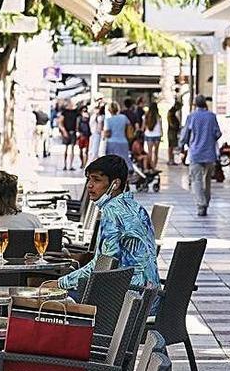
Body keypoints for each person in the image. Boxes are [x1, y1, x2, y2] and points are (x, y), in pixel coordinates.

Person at [55, 155, 160, 295]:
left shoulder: (112, 211)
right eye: (89, 179)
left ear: (115, 184)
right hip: (148, 296)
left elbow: (103, 265)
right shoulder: (136, 207)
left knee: (46, 296)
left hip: (125, 300)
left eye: (96, 180)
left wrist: (61, 282)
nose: (89, 185)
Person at [180, 94, 222, 217]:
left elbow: (185, 135)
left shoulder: (191, 117)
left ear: (194, 104)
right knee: (207, 180)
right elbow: (218, 133)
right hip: (209, 154)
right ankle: (206, 203)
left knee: (196, 180)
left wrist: (184, 145)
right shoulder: (212, 116)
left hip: (195, 153)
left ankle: (200, 204)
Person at [104, 101, 132, 169]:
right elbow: (129, 126)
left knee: (112, 161)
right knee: (124, 159)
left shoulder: (108, 120)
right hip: (123, 141)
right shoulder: (124, 117)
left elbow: (107, 133)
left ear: (109, 110)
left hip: (112, 142)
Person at [58, 100, 80, 170]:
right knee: (66, 149)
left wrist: (77, 130)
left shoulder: (75, 112)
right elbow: (60, 122)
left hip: (73, 132)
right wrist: (64, 131)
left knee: (72, 149)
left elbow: (77, 121)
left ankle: (70, 165)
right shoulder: (64, 112)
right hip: (66, 132)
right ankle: (65, 165)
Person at [144, 103, 162, 170]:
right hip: (157, 135)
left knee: (150, 151)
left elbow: (144, 126)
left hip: (149, 135)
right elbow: (160, 126)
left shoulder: (146, 116)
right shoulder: (158, 116)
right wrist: (161, 134)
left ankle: (151, 166)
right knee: (156, 152)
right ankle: (154, 166)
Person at [167, 100, 182, 166]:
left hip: (173, 131)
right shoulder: (171, 112)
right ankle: (170, 159)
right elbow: (170, 121)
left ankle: (171, 159)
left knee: (172, 146)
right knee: (171, 146)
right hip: (172, 131)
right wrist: (174, 126)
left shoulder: (173, 112)